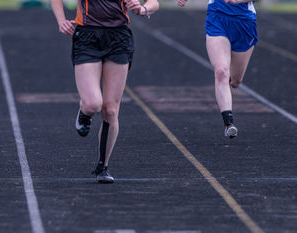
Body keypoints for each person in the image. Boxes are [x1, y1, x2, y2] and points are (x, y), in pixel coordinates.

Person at [51, 0, 158, 183]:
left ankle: (103, 166)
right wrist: (61, 21)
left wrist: (142, 9)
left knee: (110, 109)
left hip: (119, 38)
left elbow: (154, 3)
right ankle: (85, 112)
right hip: (87, 36)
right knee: (93, 103)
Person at [178, 0, 258, 139]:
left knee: (235, 81)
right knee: (221, 72)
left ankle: (230, 84)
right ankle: (228, 123)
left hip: (244, 22)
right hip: (217, 17)